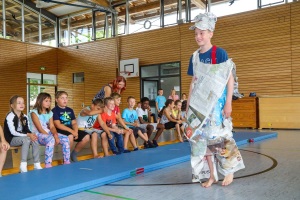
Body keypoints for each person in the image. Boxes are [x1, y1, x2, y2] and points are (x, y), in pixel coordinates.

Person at [187, 12, 244, 187]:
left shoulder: (219, 53)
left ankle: (229, 171)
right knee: (203, 141)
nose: (198, 36)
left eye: (202, 32)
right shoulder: (195, 57)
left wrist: (228, 103)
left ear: (210, 33)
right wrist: (188, 106)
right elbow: (193, 82)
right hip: (199, 107)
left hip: (217, 106)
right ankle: (211, 175)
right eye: (196, 33)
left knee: (220, 139)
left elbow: (229, 78)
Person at [29, 92, 70, 168]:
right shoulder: (34, 113)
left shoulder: (50, 113)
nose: (48, 103)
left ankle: (66, 161)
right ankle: (48, 164)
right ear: (39, 101)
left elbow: (52, 127)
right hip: (37, 135)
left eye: (50, 101)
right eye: (46, 101)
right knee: (51, 139)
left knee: (65, 138)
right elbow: (40, 129)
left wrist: (56, 136)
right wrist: (52, 138)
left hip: (47, 134)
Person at [3, 95, 42, 173]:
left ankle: (37, 163)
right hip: (10, 139)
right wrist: (28, 135)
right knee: (26, 139)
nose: (22, 105)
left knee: (35, 139)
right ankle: (23, 165)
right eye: (19, 103)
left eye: (23, 103)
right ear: (12, 105)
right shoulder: (10, 116)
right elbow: (13, 132)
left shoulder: (24, 116)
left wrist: (31, 135)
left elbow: (26, 129)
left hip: (23, 137)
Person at [52, 91, 90, 162]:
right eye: (62, 98)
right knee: (70, 136)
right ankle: (66, 159)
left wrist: (76, 131)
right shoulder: (54, 111)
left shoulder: (70, 110)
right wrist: (72, 132)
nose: (65, 100)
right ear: (56, 100)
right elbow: (58, 125)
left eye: (66, 98)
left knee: (86, 137)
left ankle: (74, 154)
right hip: (60, 130)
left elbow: (74, 123)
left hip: (71, 129)